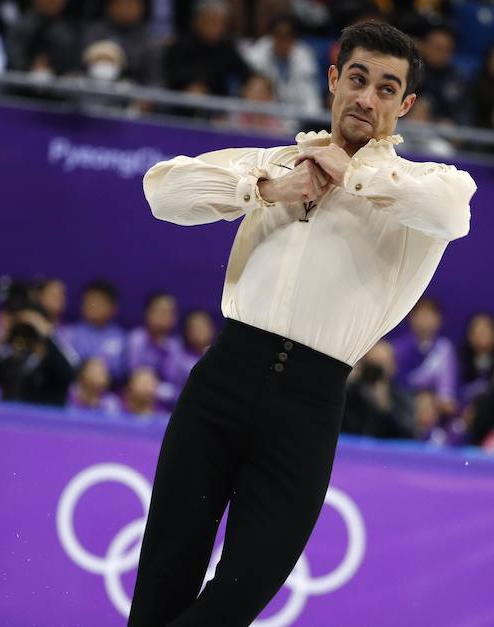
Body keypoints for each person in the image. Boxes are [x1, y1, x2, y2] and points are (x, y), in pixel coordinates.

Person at [128, 20, 476, 625]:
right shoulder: (278, 159)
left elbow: (453, 213)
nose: (368, 99)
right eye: (359, 79)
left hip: (308, 405)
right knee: (164, 573)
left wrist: (351, 173)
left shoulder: (424, 185)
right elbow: (163, 193)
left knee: (242, 589)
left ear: (406, 104)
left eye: (387, 88)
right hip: (222, 381)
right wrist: (267, 187)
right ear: (335, 80)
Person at [0, 299, 75, 406]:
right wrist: (3, 340)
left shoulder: (54, 358)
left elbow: (68, 376)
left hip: (45, 420)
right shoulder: (9, 359)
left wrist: (47, 335)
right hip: (11, 420)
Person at [163, 0, 251, 96]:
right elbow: (173, 74)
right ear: (197, 21)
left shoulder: (226, 47)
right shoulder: (181, 45)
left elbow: (243, 71)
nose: (217, 27)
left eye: (221, 23)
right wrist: (196, 81)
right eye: (212, 21)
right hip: (180, 100)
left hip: (219, 101)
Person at [240, 14, 322, 116]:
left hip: (298, 123)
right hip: (265, 120)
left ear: (294, 38)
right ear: (272, 36)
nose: (283, 41)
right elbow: (249, 95)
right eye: (279, 35)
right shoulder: (256, 56)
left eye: (288, 36)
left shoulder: (304, 58)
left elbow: (312, 102)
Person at [390, 296, 458, 415]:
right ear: (411, 317)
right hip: (403, 401)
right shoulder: (398, 347)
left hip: (435, 406)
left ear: (439, 319)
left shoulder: (444, 348)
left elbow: (446, 390)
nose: (425, 319)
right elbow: (396, 381)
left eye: (430, 315)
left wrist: (439, 400)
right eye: (421, 314)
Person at [342, 339, 416, 439]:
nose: (377, 370)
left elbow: (409, 435)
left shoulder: (401, 396)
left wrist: (386, 407)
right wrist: (345, 382)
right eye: (373, 363)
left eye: (383, 363)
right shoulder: (350, 391)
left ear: (393, 366)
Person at [83, 0, 163, 84]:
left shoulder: (149, 41)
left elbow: (155, 81)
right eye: (120, 3)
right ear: (110, 6)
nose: (125, 8)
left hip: (133, 93)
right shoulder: (93, 32)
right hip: (90, 87)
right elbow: (78, 67)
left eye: (131, 4)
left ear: (142, 8)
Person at [126, 291, 183, 407]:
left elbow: (173, 380)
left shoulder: (174, 345)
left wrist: (163, 349)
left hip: (163, 399)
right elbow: (134, 374)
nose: (165, 316)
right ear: (148, 313)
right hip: (137, 395)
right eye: (161, 311)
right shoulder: (136, 338)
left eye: (169, 312)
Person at [62, 280, 126, 382]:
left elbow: (122, 371)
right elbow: (66, 366)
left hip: (110, 391)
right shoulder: (69, 333)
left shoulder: (121, 337)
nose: (91, 306)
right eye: (88, 301)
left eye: (98, 302)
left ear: (113, 307)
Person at [5, 0, 80, 77]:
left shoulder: (71, 30)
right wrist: (32, 69)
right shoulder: (21, 28)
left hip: (61, 83)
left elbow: (74, 64)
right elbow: (15, 63)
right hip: (22, 84)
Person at [457, 312, 494, 402]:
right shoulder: (459, 359)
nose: (482, 335)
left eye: (486, 332)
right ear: (470, 336)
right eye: (478, 332)